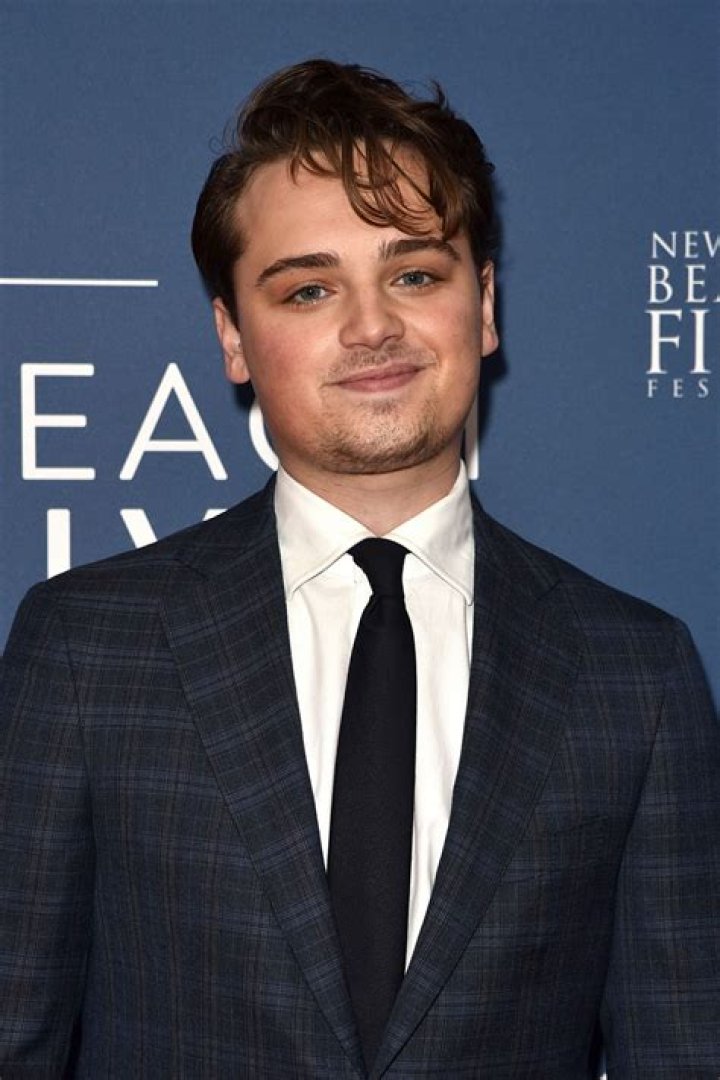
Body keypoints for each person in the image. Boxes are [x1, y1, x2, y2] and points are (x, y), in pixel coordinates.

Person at [1, 59, 718, 1080]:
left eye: (414, 274)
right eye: (309, 289)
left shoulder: (633, 675)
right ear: (233, 337)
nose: (372, 326)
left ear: (484, 304)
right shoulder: (88, 648)